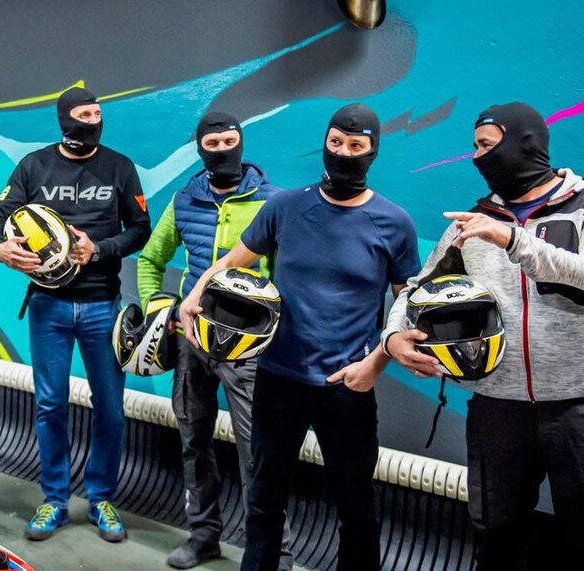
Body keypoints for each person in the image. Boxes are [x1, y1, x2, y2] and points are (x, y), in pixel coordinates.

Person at [382, 102, 584, 571]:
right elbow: (418, 290)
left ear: (526, 142)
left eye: (485, 145)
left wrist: (515, 241)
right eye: (475, 147)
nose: (476, 157)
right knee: (496, 535)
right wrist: (394, 336)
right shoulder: (473, 221)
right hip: (497, 407)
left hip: (582, 408)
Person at [180, 103, 420, 571]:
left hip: (348, 384)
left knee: (356, 506)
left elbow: (405, 304)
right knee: (265, 499)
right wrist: (197, 293)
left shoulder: (394, 223)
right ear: (325, 144)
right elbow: (234, 260)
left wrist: (376, 363)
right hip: (278, 377)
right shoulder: (285, 207)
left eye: (356, 146)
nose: (343, 153)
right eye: (336, 143)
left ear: (372, 152)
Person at [0, 86, 151, 543]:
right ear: (64, 120)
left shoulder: (120, 167)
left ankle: (101, 499)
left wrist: (99, 249)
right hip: (48, 306)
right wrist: (1, 249)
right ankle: (54, 499)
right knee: (50, 404)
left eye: (98, 113)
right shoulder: (34, 166)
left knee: (111, 409)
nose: (92, 120)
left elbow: (140, 230)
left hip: (101, 304)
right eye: (83, 114)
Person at [136, 111, 279, 568]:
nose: (221, 150)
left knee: (256, 452)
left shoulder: (271, 202)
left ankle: (273, 552)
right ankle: (203, 536)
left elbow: (285, 277)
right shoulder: (184, 201)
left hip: (248, 350)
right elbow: (149, 261)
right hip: (191, 344)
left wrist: (271, 329)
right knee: (193, 441)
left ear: (242, 141)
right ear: (200, 148)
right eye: (212, 143)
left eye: (229, 140)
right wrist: (159, 309)